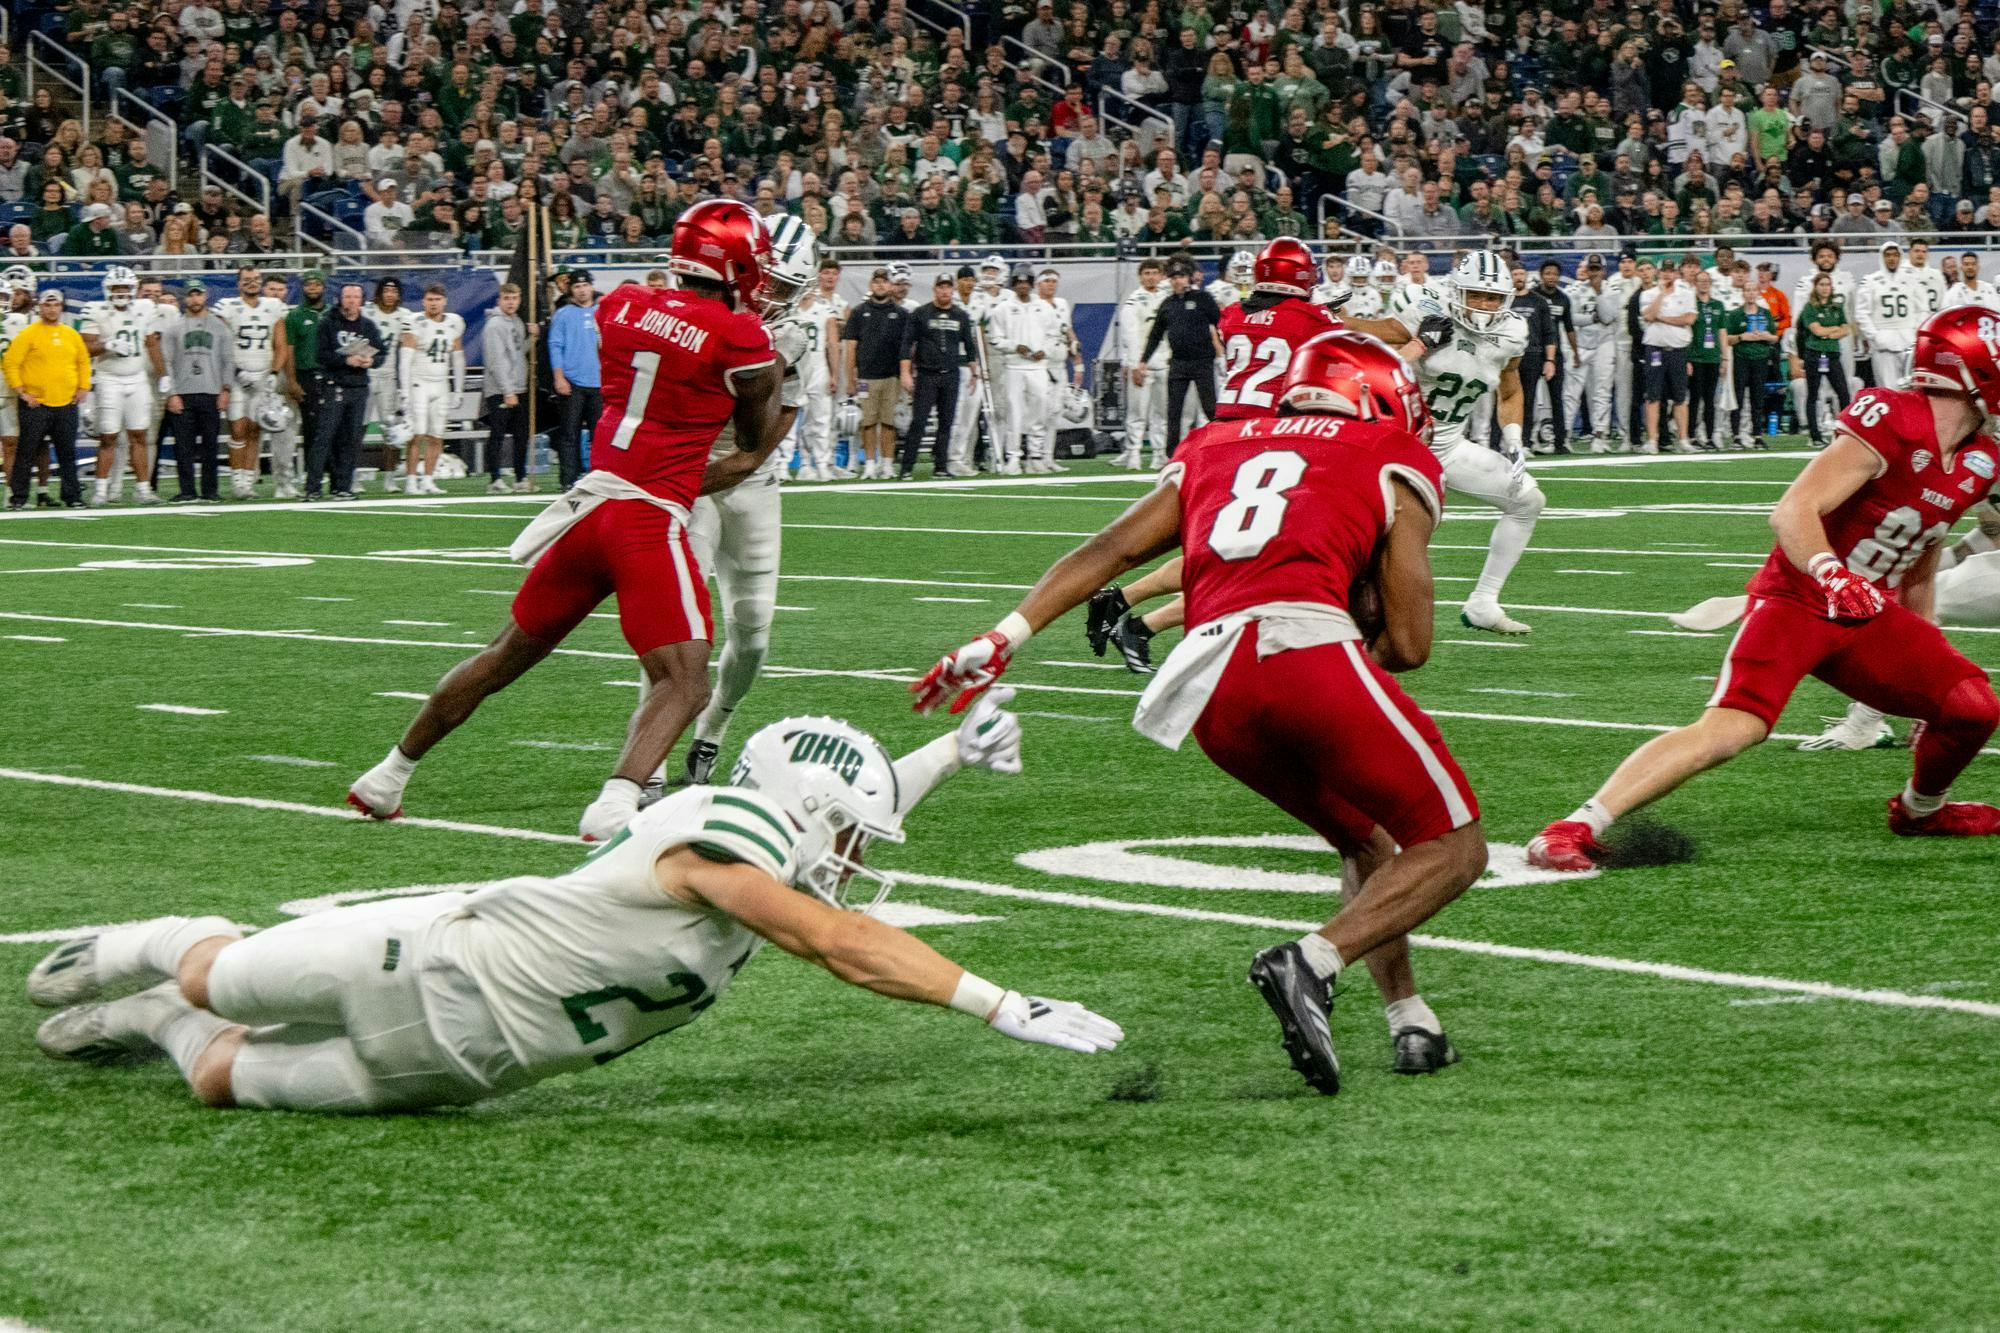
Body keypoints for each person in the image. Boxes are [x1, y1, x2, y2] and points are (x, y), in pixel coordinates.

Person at [33, 703, 1123, 1112]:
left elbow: (833, 834)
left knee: (218, 1072)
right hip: (425, 960)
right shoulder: (725, 832)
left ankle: (148, 1020)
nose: (852, 858)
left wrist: (945, 753)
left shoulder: (778, 829)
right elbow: (836, 940)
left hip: (479, 1063)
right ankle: (142, 951)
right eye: (846, 834)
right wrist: (995, 1002)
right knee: (213, 974)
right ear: (798, 810)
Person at [912, 332, 1483, 1094]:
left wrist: (1002, 635)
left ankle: (1410, 1020)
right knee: (1455, 844)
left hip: (1205, 678)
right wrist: (1362, 619)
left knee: (1363, 834)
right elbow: (1410, 645)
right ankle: (1310, 961)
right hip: (1303, 650)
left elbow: (1113, 548)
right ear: (1379, 399)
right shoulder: (1389, 451)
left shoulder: (1215, 442)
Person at [347, 199, 784, 844]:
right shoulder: (741, 337)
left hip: (588, 508)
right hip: (647, 521)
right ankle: (615, 805)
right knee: (687, 681)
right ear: (737, 266)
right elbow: (747, 440)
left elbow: (649, 361)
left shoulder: (623, 303)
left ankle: (386, 777)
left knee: (503, 654)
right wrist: (774, 392)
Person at [1529, 307, 2000, 871]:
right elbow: (1794, 510)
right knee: (1734, 728)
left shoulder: (1980, 458)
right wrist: (1832, 574)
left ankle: (1921, 811)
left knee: (1970, 705)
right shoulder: (1893, 417)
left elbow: (1922, 553)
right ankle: (1577, 824)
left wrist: (1925, 648)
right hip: (1800, 598)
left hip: (1870, 611)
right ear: (1973, 369)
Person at [1089, 237, 1345, 671]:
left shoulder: (1233, 313)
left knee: (1234, 556)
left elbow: (1256, 325)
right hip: (1263, 444)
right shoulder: (1311, 318)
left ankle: (1129, 612)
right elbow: (1348, 340)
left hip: (1223, 439)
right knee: (1252, 563)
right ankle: (1135, 619)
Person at [675, 212, 819, 788]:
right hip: (691, 477)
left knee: (753, 630)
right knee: (679, 628)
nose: (772, 296)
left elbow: (754, 451)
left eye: (785, 287)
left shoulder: (796, 339)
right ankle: (649, 764)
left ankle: (711, 730)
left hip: (745, 483)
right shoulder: (702, 317)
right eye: (768, 281)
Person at [1360, 251, 1543, 635]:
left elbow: (1510, 389)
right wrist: (1322, 316)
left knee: (1527, 500)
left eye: (1492, 297)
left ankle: (1483, 602)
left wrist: (1513, 439)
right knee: (1384, 538)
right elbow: (1373, 340)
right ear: (1456, 290)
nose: (1483, 305)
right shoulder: (1429, 309)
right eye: (1475, 295)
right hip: (1397, 445)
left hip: (1446, 445)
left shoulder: (1512, 332)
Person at [80, 265, 163, 506]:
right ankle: (101, 491)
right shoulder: (96, 310)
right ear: (107, 289)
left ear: (133, 289)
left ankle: (143, 489)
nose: (120, 292)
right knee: (108, 437)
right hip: (109, 378)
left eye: (125, 287)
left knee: (140, 435)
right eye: (116, 288)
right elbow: (84, 347)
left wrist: (164, 374)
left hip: (137, 378)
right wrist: (108, 345)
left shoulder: (145, 308)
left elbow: (151, 343)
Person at [4, 288, 91, 510]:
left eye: (56, 305)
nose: (52, 310)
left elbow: (83, 361)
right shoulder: (29, 333)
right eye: (47, 305)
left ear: (61, 308)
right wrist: (22, 392)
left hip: (66, 403)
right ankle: (19, 498)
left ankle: (72, 496)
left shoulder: (71, 334)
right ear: (40, 308)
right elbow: (11, 362)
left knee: (67, 453)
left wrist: (83, 387)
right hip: (36, 404)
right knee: (26, 452)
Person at [211, 265, 287, 499]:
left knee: (255, 430)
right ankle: (237, 481)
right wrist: (235, 371)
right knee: (238, 429)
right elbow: (220, 344)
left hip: (263, 375)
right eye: (246, 279)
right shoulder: (228, 307)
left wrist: (274, 373)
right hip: (237, 377)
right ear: (238, 283)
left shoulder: (272, 307)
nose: (252, 282)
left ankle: (247, 480)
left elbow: (281, 345)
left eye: (255, 279)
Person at [309, 281, 389, 501]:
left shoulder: (368, 326)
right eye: (347, 297)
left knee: (351, 440)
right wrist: (345, 360)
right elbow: (320, 356)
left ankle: (343, 486)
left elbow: (382, 353)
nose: (351, 301)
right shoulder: (328, 323)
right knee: (324, 438)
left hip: (359, 387)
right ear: (340, 299)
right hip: (333, 385)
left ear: (362, 300)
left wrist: (371, 361)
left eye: (355, 297)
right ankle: (313, 487)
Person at [1138, 257, 1224, 460]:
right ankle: (1172, 455)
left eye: (1182, 276)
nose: (1178, 281)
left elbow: (1221, 323)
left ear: (1190, 278)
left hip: (1202, 361)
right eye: (1175, 277)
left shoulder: (1203, 299)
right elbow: (1155, 334)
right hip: (1178, 362)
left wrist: (1226, 348)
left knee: (1210, 407)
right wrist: (1143, 360)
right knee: (1173, 410)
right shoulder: (1168, 304)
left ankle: (1220, 446)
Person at [159, 278, 234, 503]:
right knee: (184, 447)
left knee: (210, 445)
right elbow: (166, 362)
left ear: (205, 295)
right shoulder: (174, 328)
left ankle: (210, 491)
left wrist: (226, 389)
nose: (195, 299)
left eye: (198, 294)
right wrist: (171, 393)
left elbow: (228, 359)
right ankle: (187, 491)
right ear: (185, 298)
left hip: (211, 391)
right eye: (191, 295)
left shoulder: (219, 326)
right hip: (183, 393)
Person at [899, 274, 980, 481]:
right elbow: (907, 344)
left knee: (946, 422)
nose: (944, 291)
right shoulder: (921, 313)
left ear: (952, 290)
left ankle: (941, 466)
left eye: (947, 287)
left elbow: (969, 346)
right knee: (919, 421)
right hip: (927, 375)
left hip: (950, 375)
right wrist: (905, 373)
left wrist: (974, 372)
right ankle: (906, 467)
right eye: (941, 287)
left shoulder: (960, 315)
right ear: (934, 289)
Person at [987, 267, 1060, 476]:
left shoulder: (1044, 307)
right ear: (1013, 285)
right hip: (1014, 367)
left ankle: (1035, 457)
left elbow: (1054, 334)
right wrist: (1014, 347)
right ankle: (1013, 457)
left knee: (1040, 410)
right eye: (1019, 283)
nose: (1023, 286)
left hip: (1038, 367)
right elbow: (995, 338)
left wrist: (1045, 351)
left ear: (1031, 284)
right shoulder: (1003, 308)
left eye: (1026, 282)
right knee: (1014, 413)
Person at [839, 267, 910, 480]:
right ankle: (870, 464)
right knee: (867, 422)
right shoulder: (859, 312)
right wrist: (850, 379)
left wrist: (906, 374)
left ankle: (887, 464)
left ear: (890, 285)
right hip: (866, 377)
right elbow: (851, 347)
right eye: (877, 281)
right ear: (871, 285)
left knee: (889, 422)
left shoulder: (901, 314)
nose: (880, 285)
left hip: (892, 377)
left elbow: (907, 349)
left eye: (884, 281)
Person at [397, 283, 465, 495]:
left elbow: (458, 358)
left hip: (441, 384)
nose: (433, 303)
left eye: (437, 299)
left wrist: (458, 388)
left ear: (444, 301)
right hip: (419, 383)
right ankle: (411, 481)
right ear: (423, 301)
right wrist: (405, 391)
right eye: (430, 299)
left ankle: (428, 479)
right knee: (417, 434)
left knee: (436, 435)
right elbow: (405, 360)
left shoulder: (454, 322)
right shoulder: (414, 321)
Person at [790, 260, 847, 481]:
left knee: (822, 418)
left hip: (818, 367)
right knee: (796, 419)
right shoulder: (790, 310)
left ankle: (822, 463)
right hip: (795, 367)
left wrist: (834, 374)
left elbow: (833, 344)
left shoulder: (827, 310)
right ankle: (800, 463)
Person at [547, 270, 601, 491]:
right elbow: (555, 346)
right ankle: (568, 480)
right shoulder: (563, 314)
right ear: (571, 290)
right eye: (577, 286)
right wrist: (559, 377)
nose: (582, 290)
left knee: (600, 436)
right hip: (573, 382)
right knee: (569, 433)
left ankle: (599, 478)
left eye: (585, 285)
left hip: (599, 382)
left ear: (591, 287)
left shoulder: (602, 312)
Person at [1116, 257, 1170, 469]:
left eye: (1155, 273)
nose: (1151, 277)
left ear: (1161, 275)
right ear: (1140, 277)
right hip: (1142, 364)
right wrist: (1134, 364)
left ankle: (1159, 453)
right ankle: (1134, 453)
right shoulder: (1133, 301)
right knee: (1137, 413)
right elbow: (1129, 337)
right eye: (1147, 273)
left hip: (1164, 362)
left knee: (1161, 413)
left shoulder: (1167, 298)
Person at [1565, 255, 1622, 452]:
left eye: (1597, 269)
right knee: (1571, 393)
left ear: (1603, 270)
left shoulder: (1612, 289)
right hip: (1580, 344)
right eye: (1591, 269)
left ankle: (1600, 435)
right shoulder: (1575, 289)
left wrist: (1598, 293)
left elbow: (1607, 317)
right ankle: (1564, 437)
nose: (1594, 273)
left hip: (1604, 343)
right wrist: (1591, 318)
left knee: (1602, 391)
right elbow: (1571, 318)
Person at [1519, 261, 1575, 455]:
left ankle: (1560, 442)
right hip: (1533, 352)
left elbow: (1569, 327)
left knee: (1557, 398)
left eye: (1555, 274)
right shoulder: (1532, 296)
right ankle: (1527, 440)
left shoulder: (1563, 298)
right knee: (1529, 399)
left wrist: (1575, 352)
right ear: (1541, 275)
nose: (1551, 277)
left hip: (1554, 353)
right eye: (1548, 273)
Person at [480, 282, 531, 495]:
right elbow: (496, 361)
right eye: (507, 298)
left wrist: (533, 338)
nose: (511, 302)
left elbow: (517, 353)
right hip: (500, 389)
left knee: (522, 434)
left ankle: (520, 477)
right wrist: (507, 390)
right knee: (498, 434)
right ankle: (495, 479)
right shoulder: (494, 325)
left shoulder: (516, 321)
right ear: (499, 300)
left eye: (514, 298)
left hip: (519, 386)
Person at [1723, 270, 1784, 449]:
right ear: (1743, 293)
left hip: (1760, 359)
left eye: (1753, 290)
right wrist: (1742, 337)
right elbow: (1727, 339)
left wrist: (1765, 336)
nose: (1750, 293)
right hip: (1741, 359)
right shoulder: (1735, 315)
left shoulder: (1765, 314)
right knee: (1738, 397)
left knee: (1757, 398)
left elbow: (1775, 337)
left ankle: (1757, 434)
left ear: (1758, 293)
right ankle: (1736, 435)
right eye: (1747, 290)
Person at [363, 277, 412, 492]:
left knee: (392, 429)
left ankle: (390, 478)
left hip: (389, 376)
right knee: (357, 426)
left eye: (394, 291)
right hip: (365, 374)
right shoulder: (367, 312)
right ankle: (351, 477)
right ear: (379, 293)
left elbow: (407, 349)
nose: (390, 295)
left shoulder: (404, 316)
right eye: (386, 291)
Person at [275, 270, 327, 467]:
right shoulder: (295, 316)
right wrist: (292, 380)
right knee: (310, 426)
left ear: (324, 287)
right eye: (308, 284)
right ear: (302, 288)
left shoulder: (333, 313)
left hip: (330, 376)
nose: (312, 288)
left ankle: (331, 471)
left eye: (316, 284)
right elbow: (289, 350)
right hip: (306, 375)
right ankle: (312, 472)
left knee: (330, 426)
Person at [1856, 240, 1925, 388]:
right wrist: (1875, 335)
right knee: (1887, 388)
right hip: (1883, 343)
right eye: (1888, 255)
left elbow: (1922, 309)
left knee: (1911, 388)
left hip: (1908, 341)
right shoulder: (1870, 281)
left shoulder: (1912, 279)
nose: (1892, 258)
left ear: (1900, 257)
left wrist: (1915, 332)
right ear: (1882, 257)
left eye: (1895, 255)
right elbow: (1861, 312)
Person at [1797, 273, 1854, 447]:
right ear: (1815, 287)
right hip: (1815, 354)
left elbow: (1846, 329)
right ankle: (1814, 435)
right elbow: (1817, 331)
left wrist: (1828, 332)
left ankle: (1845, 432)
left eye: (1827, 284)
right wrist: (1833, 330)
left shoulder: (1836, 307)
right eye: (1821, 284)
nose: (1825, 288)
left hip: (1832, 354)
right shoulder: (1810, 308)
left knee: (1843, 393)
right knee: (1813, 394)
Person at [1686, 270, 1728, 452]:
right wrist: (1687, 358)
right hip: (1696, 357)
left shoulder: (1718, 305)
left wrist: (1724, 357)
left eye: (1706, 281)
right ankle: (1691, 436)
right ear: (1695, 283)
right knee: (1695, 398)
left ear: (1710, 283)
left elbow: (1722, 332)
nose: (1704, 283)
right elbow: (1686, 330)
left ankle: (1710, 437)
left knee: (1710, 399)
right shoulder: (1691, 304)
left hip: (1713, 358)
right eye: (1700, 281)